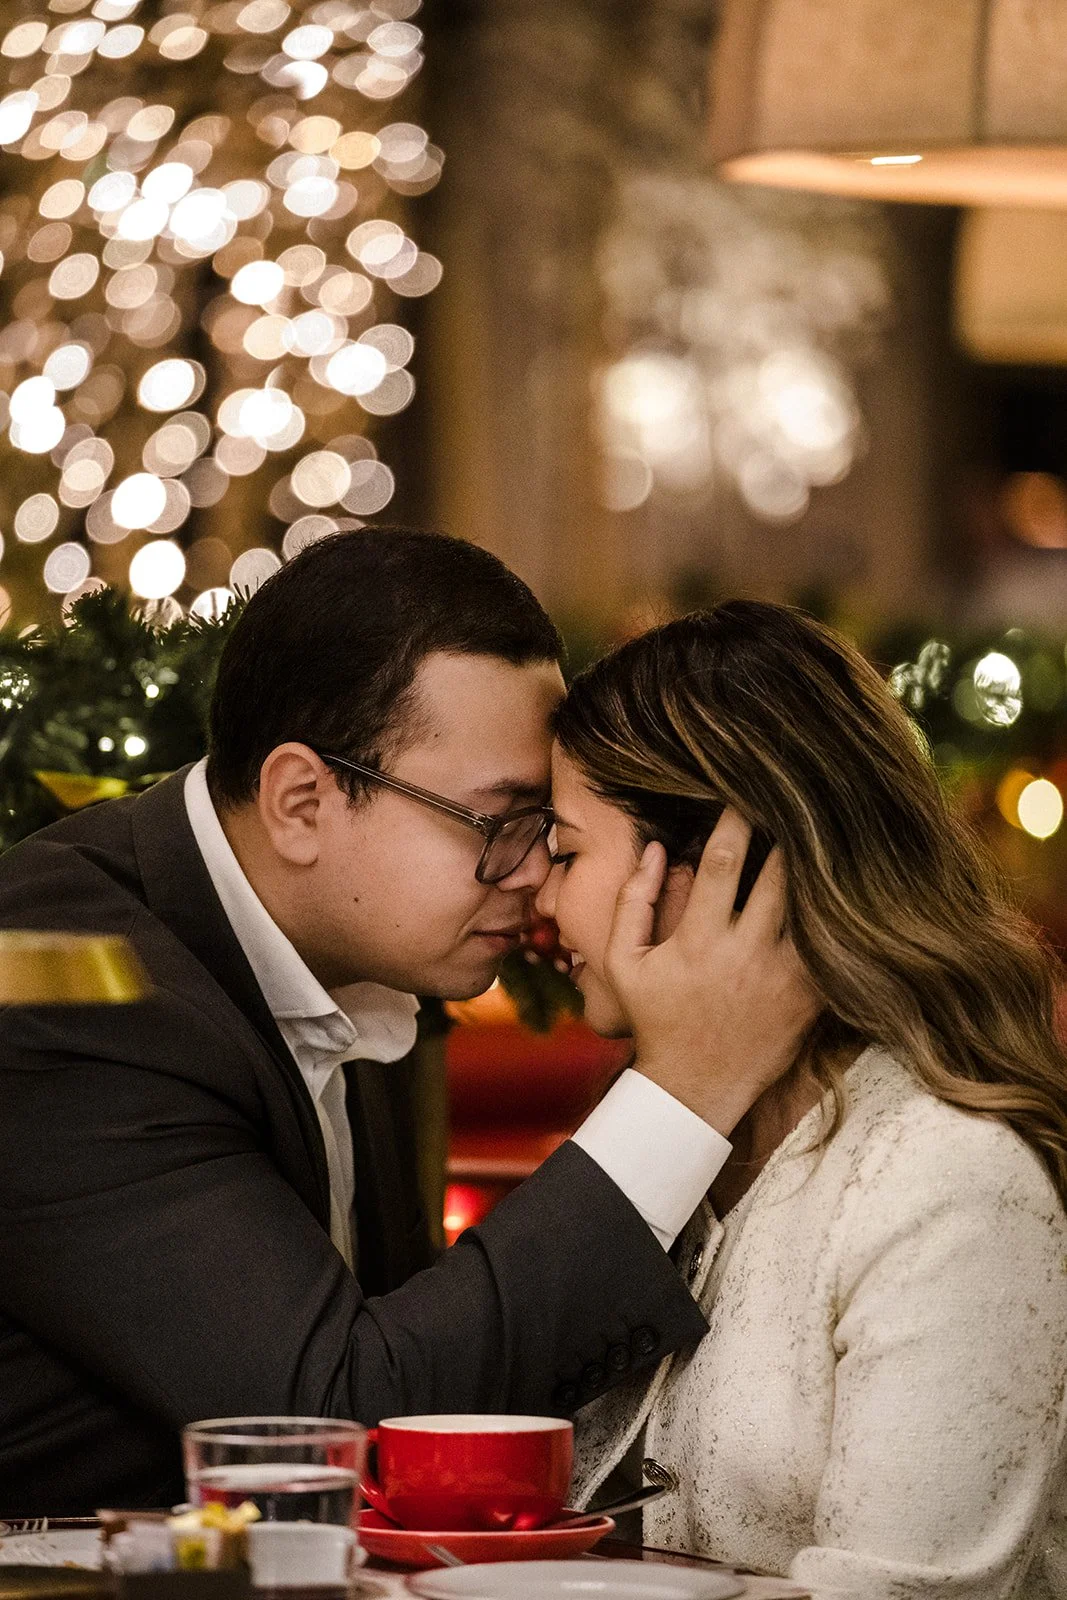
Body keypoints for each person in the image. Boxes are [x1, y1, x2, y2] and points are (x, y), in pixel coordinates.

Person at [0, 533, 816, 1516]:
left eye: (548, 827)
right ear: (302, 799)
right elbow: (340, 1427)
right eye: (498, 821)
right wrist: (684, 1087)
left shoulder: (380, 943)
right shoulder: (63, 983)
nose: (535, 873)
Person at [540, 601, 1067, 1600]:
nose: (538, 898)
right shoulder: (678, 1147)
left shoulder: (943, 1183)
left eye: (564, 852)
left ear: (716, 875)